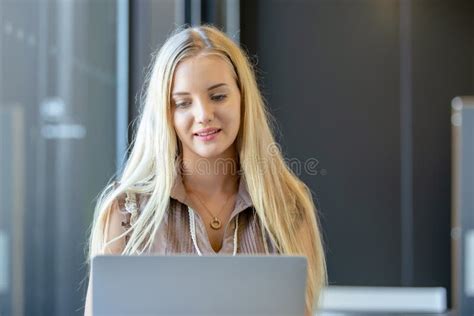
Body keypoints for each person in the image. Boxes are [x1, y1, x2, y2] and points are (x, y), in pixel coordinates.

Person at [84, 25, 327, 316]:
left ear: (242, 98)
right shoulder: (126, 213)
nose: (203, 115)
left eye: (218, 96)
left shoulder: (287, 206)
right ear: (167, 114)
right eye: (183, 103)